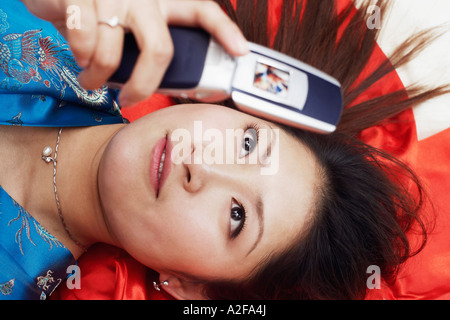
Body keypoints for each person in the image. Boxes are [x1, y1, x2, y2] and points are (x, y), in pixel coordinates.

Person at [0, 0, 447, 300]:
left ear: (188, 288)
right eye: (249, 143)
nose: (203, 166)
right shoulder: (66, 22)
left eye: (237, 217)